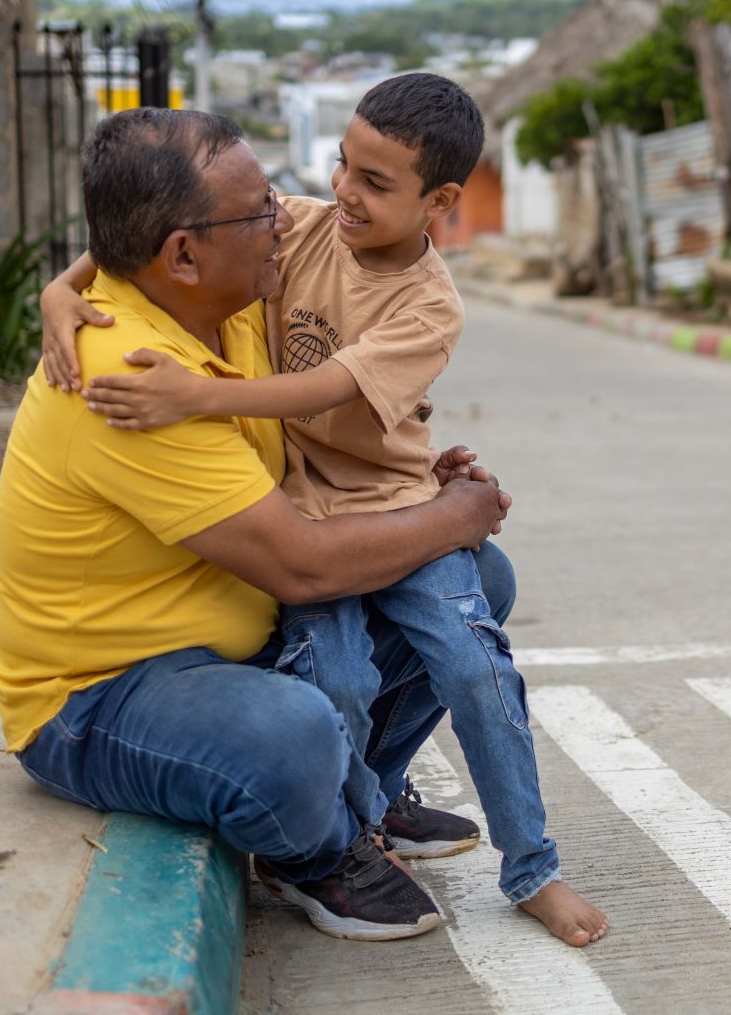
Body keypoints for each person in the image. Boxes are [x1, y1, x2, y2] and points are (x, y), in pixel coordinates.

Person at [40, 74, 608, 948]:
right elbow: (145, 234)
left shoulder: (429, 304)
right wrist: (60, 285)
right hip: (307, 518)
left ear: (440, 202)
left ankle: (531, 866)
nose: (344, 190)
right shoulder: (303, 227)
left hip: (394, 510)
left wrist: (201, 398)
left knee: (475, 667)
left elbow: (331, 382)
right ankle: (352, 826)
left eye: (376, 183)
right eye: (344, 165)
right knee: (333, 682)